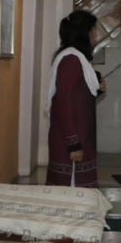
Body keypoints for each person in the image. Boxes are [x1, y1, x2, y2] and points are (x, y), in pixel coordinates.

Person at [45, 10, 106, 187]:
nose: (95, 34)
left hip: (78, 137)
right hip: (71, 141)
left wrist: (97, 87)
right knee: (70, 195)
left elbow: (78, 95)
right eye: (93, 29)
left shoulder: (77, 58)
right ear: (84, 33)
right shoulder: (71, 60)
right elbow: (64, 103)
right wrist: (73, 144)